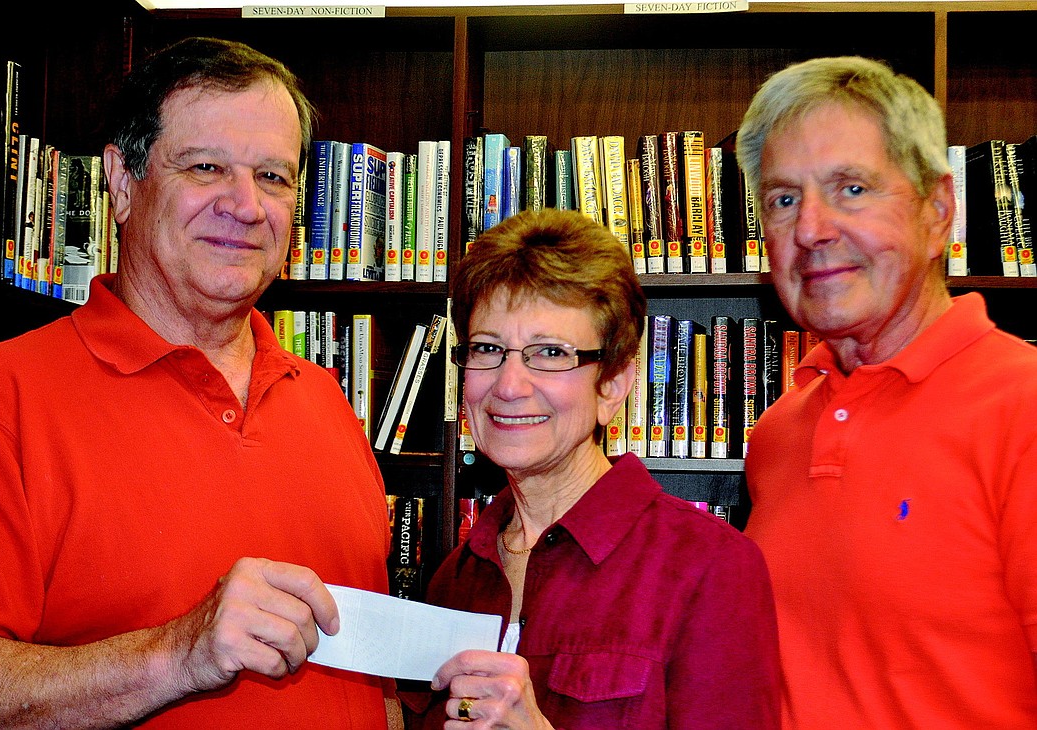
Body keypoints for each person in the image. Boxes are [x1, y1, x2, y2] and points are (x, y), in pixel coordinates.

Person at [0, 37, 399, 727]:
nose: (246, 206)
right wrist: (178, 655)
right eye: (207, 167)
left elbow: (368, 688)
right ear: (123, 182)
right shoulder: (2, 399)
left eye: (274, 177)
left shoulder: (326, 400)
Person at [736, 55, 1037, 728]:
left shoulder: (1024, 409)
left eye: (851, 189)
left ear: (938, 211)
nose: (811, 229)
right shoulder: (778, 433)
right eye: (784, 199)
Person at [405, 208, 781, 729]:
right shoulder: (456, 577)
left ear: (613, 386)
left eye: (550, 353)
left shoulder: (711, 569)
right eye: (488, 349)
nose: (509, 385)